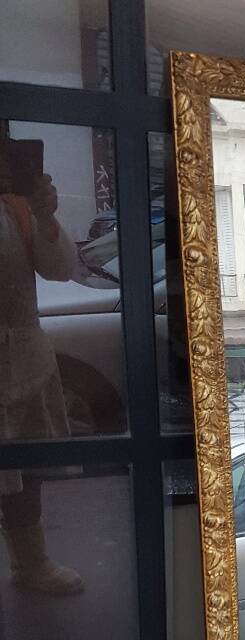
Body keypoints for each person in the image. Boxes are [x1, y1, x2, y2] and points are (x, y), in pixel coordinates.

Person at [0, 137, 83, 594]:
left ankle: (31, 564)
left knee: (24, 469)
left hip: (24, 359)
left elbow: (59, 268)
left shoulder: (17, 207)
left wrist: (45, 213)